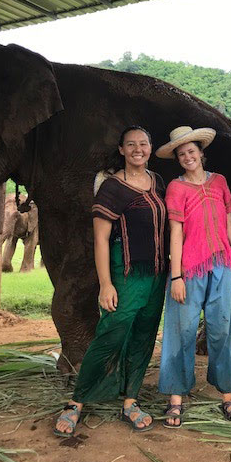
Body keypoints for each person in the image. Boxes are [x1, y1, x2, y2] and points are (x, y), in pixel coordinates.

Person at [54, 126, 169, 437]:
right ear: (121, 150)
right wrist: (106, 284)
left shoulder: (157, 181)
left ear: (150, 147)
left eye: (143, 144)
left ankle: (130, 400)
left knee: (144, 336)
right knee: (110, 335)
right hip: (126, 273)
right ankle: (77, 401)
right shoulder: (111, 189)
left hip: (157, 275)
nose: (137, 149)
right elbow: (101, 240)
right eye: (130, 144)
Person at [155, 125, 231, 428]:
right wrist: (176, 277)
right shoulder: (176, 188)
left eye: (191, 151)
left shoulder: (219, 182)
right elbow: (175, 232)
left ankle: (227, 395)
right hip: (189, 270)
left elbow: (228, 224)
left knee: (222, 330)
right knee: (181, 330)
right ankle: (176, 397)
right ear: (178, 158)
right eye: (181, 153)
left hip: (222, 266)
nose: (188, 156)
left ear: (201, 152)